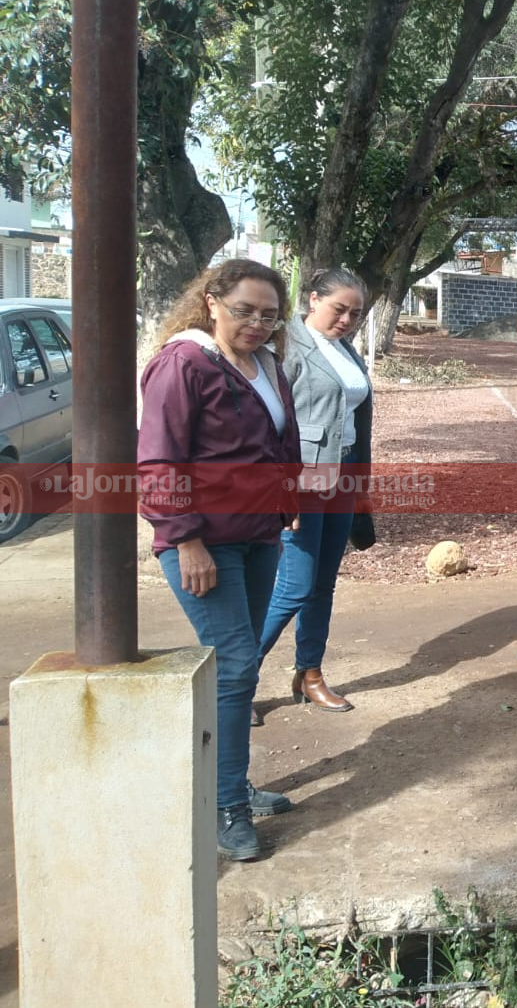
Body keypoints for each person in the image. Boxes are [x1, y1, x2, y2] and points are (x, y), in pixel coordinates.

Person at [138, 258, 302, 862]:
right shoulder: (182, 363)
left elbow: (278, 442)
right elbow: (158, 462)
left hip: (258, 535)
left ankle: (232, 782)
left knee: (242, 662)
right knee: (234, 664)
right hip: (204, 542)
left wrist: (288, 502)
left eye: (268, 314)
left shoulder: (267, 366)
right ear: (211, 302)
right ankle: (224, 803)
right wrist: (184, 539)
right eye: (244, 311)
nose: (257, 323)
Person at [256, 268, 373, 714]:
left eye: (355, 313)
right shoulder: (285, 346)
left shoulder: (345, 349)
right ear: (312, 300)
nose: (346, 319)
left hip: (339, 478)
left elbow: (353, 419)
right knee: (294, 586)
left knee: (323, 584)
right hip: (301, 482)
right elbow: (269, 424)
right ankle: (237, 679)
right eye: (338, 309)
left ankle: (310, 674)